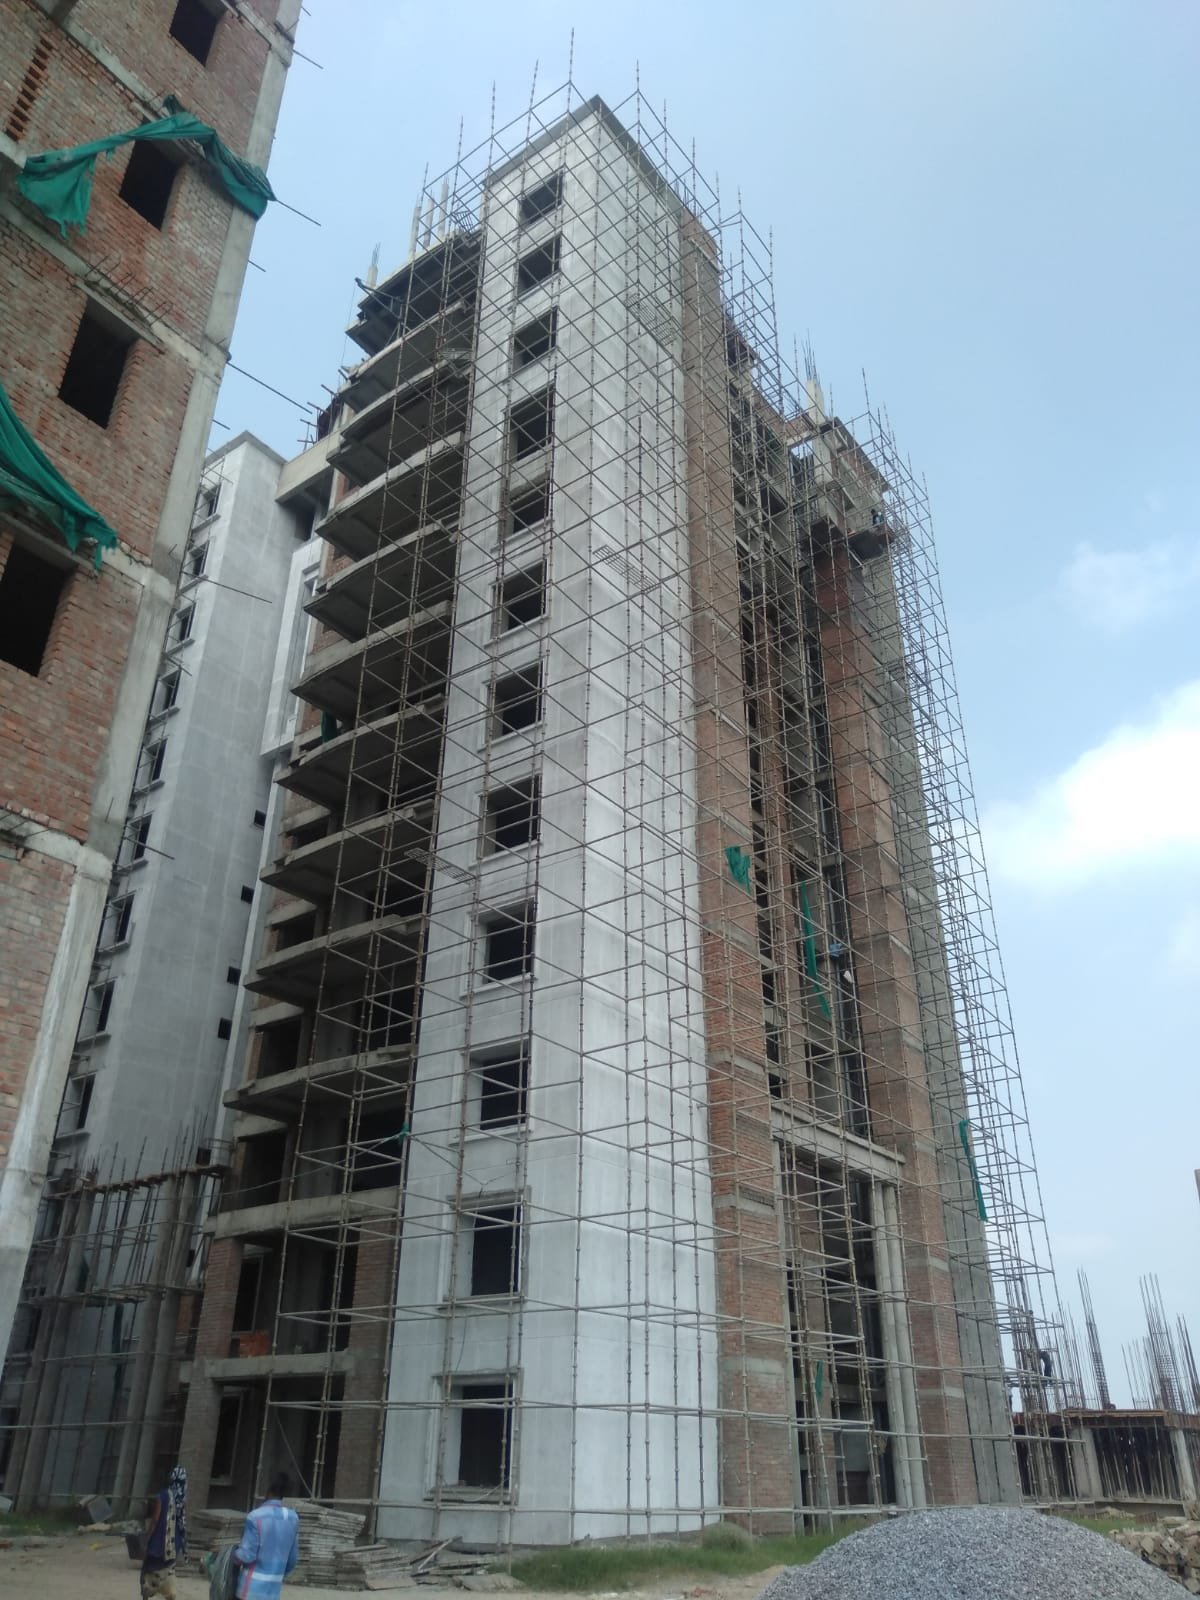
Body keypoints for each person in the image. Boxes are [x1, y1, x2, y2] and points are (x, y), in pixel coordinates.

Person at [232, 1472, 300, 1600]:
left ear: (268, 1490)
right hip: (272, 1593)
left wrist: (229, 1556)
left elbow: (247, 1555)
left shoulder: (255, 1516)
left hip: (249, 1591)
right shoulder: (292, 1518)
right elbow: (292, 1560)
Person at [141, 1464, 188, 1599]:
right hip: (174, 1544)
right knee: (168, 1571)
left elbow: (155, 1519)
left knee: (149, 1568)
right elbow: (182, 1521)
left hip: (159, 1541)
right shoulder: (182, 1498)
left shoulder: (163, 1495)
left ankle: (148, 1590)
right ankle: (169, 1593)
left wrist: (148, 1536)